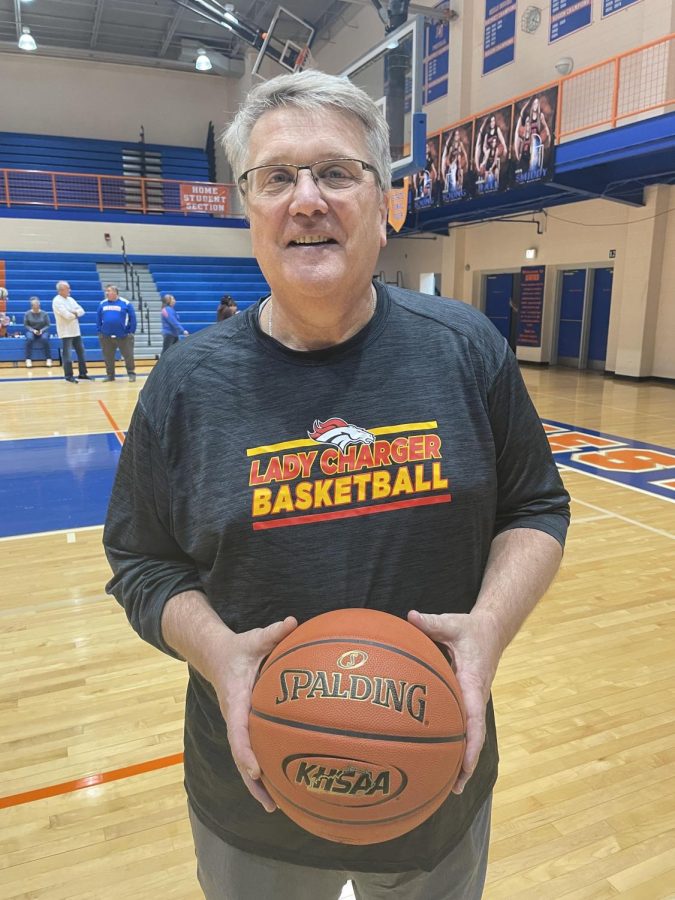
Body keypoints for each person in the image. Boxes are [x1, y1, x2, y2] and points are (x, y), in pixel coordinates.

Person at [104, 70, 570, 900]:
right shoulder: (184, 384)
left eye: (337, 172)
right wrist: (218, 652)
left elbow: (535, 505)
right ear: (248, 206)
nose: (306, 199)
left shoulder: (465, 349)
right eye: (276, 176)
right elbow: (141, 562)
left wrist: (489, 628)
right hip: (251, 797)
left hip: (436, 778)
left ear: (384, 203)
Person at [52, 280, 91, 383]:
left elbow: (82, 311)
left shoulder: (71, 299)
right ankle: (68, 375)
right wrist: (75, 313)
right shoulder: (57, 301)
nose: (70, 290)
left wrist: (74, 313)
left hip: (75, 331)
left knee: (81, 352)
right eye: (68, 288)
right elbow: (67, 315)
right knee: (67, 354)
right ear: (61, 290)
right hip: (65, 332)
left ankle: (83, 373)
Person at [96, 284, 137, 382]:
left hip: (123, 336)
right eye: (106, 291)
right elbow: (98, 318)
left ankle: (131, 373)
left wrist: (131, 331)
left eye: (109, 291)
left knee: (128, 356)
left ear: (115, 292)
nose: (107, 293)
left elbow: (133, 318)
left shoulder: (125, 303)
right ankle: (110, 375)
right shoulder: (102, 304)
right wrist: (99, 331)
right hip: (106, 336)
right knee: (108, 357)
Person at [23, 297, 53, 368]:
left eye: (38, 306)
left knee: (45, 339)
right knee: (29, 339)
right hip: (31, 330)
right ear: (32, 306)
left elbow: (48, 324)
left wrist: (42, 330)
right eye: (35, 306)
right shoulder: (27, 314)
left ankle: (48, 358)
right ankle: (28, 359)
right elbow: (26, 325)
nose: (36, 308)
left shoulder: (44, 313)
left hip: (43, 330)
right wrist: (33, 330)